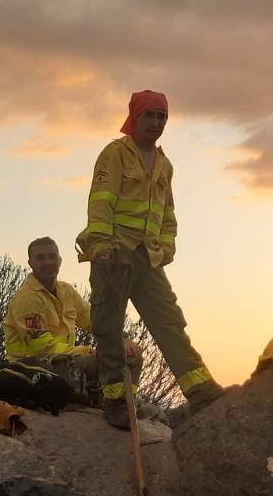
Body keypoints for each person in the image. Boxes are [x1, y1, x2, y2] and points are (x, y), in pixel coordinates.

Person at [76, 90, 223, 429]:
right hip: (114, 256)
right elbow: (100, 202)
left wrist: (166, 248)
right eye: (150, 116)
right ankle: (116, 402)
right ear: (135, 117)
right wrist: (101, 246)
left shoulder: (165, 165)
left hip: (148, 259)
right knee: (109, 329)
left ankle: (202, 391)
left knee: (170, 323)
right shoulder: (115, 154)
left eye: (162, 117)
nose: (156, 123)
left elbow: (168, 215)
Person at [3, 236, 140, 405]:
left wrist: (120, 338)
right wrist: (87, 351)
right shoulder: (26, 299)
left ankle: (126, 403)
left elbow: (95, 320)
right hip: (36, 368)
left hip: (64, 362)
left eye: (52, 256)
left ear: (60, 260)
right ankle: (118, 408)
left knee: (130, 354)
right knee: (118, 359)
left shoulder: (66, 290)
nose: (48, 262)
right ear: (30, 263)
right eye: (40, 258)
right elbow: (43, 349)